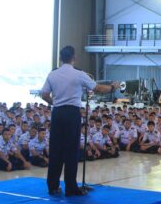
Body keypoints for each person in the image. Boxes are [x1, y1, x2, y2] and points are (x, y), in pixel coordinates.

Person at [40, 46, 116, 196]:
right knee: (71, 150)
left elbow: (44, 94)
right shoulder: (79, 74)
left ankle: (53, 186)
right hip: (72, 113)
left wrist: (54, 102)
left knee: (56, 150)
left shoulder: (52, 74)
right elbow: (98, 88)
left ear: (61, 58)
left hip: (58, 113)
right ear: (73, 58)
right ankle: (70, 187)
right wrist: (113, 87)